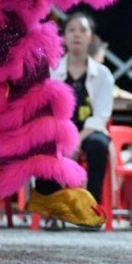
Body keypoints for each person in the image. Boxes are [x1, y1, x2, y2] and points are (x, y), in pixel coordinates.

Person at [45, 11, 115, 214]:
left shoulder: (103, 74)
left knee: (98, 145)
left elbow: (101, 116)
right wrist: (65, 138)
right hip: (58, 131)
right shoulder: (51, 70)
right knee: (46, 145)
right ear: (64, 37)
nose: (77, 35)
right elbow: (46, 109)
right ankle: (54, 211)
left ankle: (91, 209)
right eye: (71, 30)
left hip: (89, 132)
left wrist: (75, 140)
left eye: (82, 30)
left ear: (91, 38)